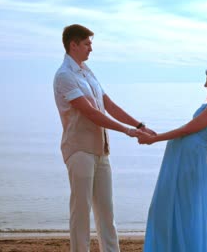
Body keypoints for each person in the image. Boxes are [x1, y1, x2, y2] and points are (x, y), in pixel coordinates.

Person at [53, 24, 155, 252]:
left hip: (101, 151)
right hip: (79, 150)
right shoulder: (64, 76)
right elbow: (91, 112)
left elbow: (107, 104)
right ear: (74, 44)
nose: (91, 48)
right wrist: (128, 132)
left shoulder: (87, 71)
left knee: (106, 212)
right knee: (81, 212)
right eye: (87, 44)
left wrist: (139, 125)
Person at [138, 63, 207, 252]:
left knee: (185, 211)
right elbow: (189, 131)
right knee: (179, 210)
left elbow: (187, 130)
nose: (205, 86)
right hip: (189, 161)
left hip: (191, 163)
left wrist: (154, 139)